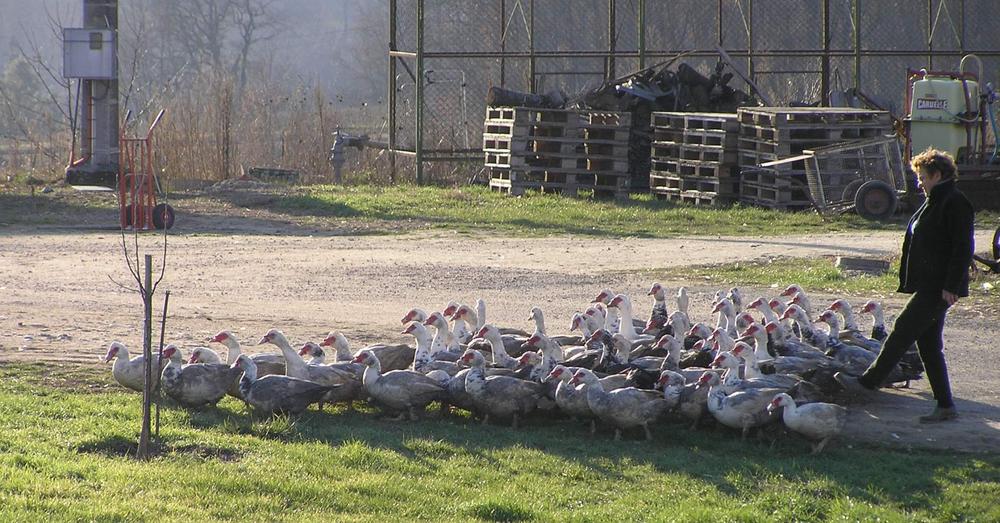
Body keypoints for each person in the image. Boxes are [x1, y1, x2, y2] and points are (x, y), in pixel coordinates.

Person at [835, 147, 975, 423]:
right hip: (929, 283)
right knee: (929, 345)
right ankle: (946, 406)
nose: (919, 182)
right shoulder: (934, 200)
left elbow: (962, 248)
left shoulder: (954, 202)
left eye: (922, 177)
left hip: (938, 287)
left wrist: (952, 285)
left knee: (901, 330)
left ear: (937, 175)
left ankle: (868, 383)